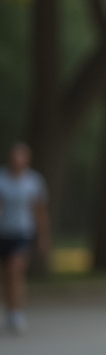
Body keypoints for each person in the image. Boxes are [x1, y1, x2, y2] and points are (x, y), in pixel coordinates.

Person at [0, 142, 49, 334]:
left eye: (21, 157)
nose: (18, 160)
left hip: (22, 232)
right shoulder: (2, 179)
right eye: (15, 156)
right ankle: (9, 309)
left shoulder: (34, 181)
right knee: (6, 275)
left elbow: (39, 211)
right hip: (3, 232)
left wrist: (43, 237)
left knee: (15, 271)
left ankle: (17, 312)